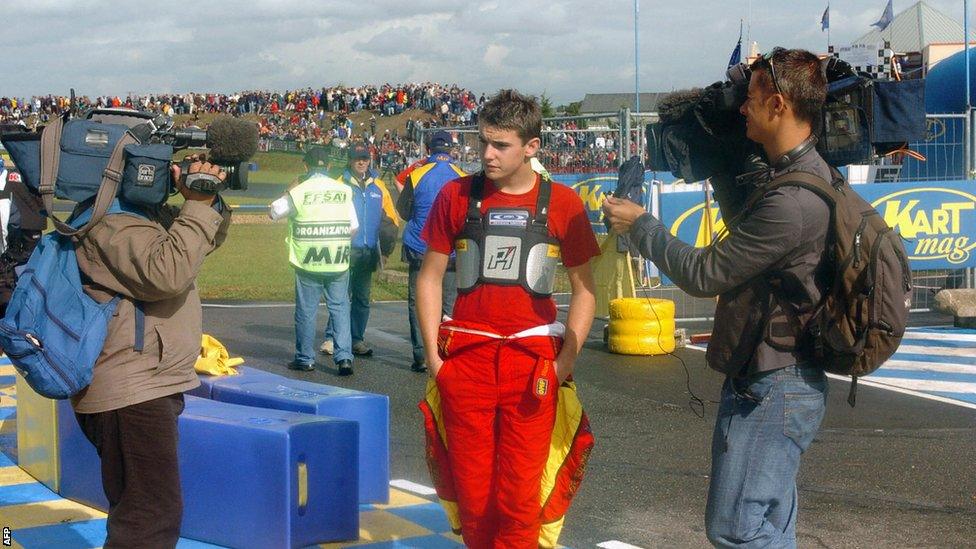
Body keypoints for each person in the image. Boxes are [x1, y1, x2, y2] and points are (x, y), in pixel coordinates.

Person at [602, 48, 831, 548]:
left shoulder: (791, 201)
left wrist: (640, 225)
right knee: (770, 522)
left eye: (749, 101)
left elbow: (705, 274)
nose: (741, 111)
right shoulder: (797, 174)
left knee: (737, 528)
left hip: (775, 383)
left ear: (778, 105)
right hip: (779, 376)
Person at [417, 89, 600, 548]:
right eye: (483, 142)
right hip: (467, 360)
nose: (487, 154)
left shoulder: (563, 204)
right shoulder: (455, 195)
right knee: (473, 498)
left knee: (520, 500)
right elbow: (428, 279)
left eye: (500, 145)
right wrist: (435, 361)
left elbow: (585, 292)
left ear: (532, 147)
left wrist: (564, 366)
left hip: (533, 363)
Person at [72, 157, 232, 548]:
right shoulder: (110, 220)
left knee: (145, 511)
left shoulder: (135, 215)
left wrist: (206, 200)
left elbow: (195, 245)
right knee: (149, 516)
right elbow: (169, 271)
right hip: (129, 387)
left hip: (144, 380)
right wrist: (196, 204)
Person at [269, 154, 358, 375]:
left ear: (305, 165)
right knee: (340, 310)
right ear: (329, 165)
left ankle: (305, 358)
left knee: (306, 312)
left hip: (308, 260)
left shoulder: (300, 190)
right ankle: (344, 357)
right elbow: (353, 226)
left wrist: (291, 188)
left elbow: (274, 211)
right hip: (337, 260)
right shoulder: (344, 190)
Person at [396, 130, 466, 372]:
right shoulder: (461, 176)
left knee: (419, 302)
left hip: (420, 246)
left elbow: (403, 211)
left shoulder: (417, 175)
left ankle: (422, 355)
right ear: (450, 151)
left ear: (428, 150)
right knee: (449, 304)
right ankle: (448, 353)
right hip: (452, 250)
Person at [321, 143, 397, 358]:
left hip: (368, 252)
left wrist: (386, 251)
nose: (362, 162)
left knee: (362, 298)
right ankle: (331, 337)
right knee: (340, 297)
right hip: (343, 250)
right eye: (357, 158)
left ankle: (356, 339)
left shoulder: (379, 187)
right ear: (350, 160)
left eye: (365, 158)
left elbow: (390, 221)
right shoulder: (338, 184)